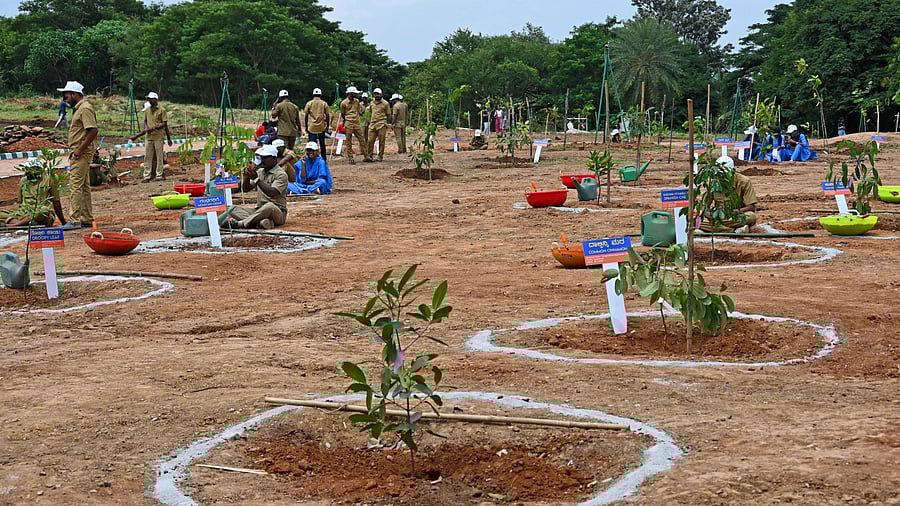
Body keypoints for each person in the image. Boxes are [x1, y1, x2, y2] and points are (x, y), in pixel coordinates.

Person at [57, 81, 98, 230]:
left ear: (74, 94)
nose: (64, 99)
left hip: (80, 153)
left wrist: (80, 149)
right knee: (84, 186)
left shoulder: (85, 109)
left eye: (66, 96)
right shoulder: (79, 108)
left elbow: (93, 130)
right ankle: (87, 218)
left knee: (75, 185)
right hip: (80, 152)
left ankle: (74, 220)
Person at [222, 144, 288, 230]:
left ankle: (241, 224)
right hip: (258, 210)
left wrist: (256, 179)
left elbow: (272, 193)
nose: (263, 160)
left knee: (269, 206)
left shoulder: (281, 174)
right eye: (262, 158)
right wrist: (247, 177)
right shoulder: (260, 171)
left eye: (266, 158)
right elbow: (246, 189)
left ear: (274, 158)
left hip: (277, 211)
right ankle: (260, 222)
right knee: (233, 209)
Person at [0, 159, 67, 227]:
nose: (27, 172)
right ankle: (24, 223)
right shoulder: (23, 181)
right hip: (25, 213)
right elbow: (20, 203)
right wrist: (19, 214)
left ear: (37, 169)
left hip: (41, 214)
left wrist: (63, 222)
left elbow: (56, 202)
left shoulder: (50, 179)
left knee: (44, 210)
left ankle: (17, 224)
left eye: (29, 169)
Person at [699, 155, 757, 233]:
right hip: (717, 216)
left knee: (751, 217)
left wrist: (733, 212)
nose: (722, 177)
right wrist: (710, 215)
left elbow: (751, 207)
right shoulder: (712, 182)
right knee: (695, 220)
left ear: (732, 171)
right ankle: (732, 230)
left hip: (737, 215)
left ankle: (716, 228)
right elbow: (704, 206)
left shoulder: (744, 181)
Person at [130, 91, 172, 182]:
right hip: (149, 137)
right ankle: (147, 176)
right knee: (148, 157)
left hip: (158, 137)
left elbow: (164, 124)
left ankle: (159, 175)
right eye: (148, 99)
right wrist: (146, 128)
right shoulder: (147, 110)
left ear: (155, 100)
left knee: (159, 156)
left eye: (150, 99)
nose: (149, 101)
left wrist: (154, 129)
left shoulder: (162, 110)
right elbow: (145, 121)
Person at [339, 86, 368, 164]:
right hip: (348, 122)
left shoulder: (357, 101)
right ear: (350, 93)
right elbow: (342, 113)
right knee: (348, 141)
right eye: (354, 93)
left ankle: (366, 156)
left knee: (362, 139)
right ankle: (350, 157)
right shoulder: (344, 103)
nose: (355, 94)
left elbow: (359, 110)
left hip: (356, 122)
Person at [303, 87, 331, 162]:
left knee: (312, 144)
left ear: (313, 94)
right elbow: (328, 115)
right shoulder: (324, 103)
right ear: (320, 95)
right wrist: (327, 126)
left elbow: (306, 115)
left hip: (312, 127)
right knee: (322, 144)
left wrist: (306, 125)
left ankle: (312, 159)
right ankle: (324, 159)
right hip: (321, 127)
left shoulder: (309, 103)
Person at [366, 88, 391, 162]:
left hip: (381, 124)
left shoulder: (385, 103)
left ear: (381, 94)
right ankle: (369, 156)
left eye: (378, 94)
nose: (376, 95)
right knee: (370, 140)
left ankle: (380, 156)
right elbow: (371, 111)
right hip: (373, 123)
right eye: (375, 94)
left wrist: (385, 122)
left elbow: (388, 114)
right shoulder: (372, 103)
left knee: (381, 141)